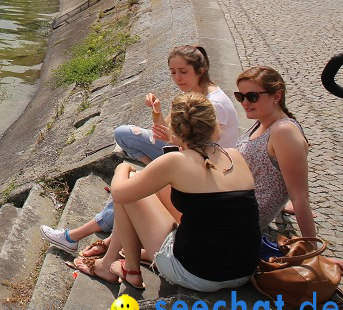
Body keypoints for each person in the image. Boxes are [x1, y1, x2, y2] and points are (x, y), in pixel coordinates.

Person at [40, 45, 238, 257]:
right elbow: (170, 134)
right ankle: (94, 240)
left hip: (203, 168)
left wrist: (124, 173)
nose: (177, 78)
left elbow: (189, 144)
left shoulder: (211, 105)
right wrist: (158, 112)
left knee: (136, 186)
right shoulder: (192, 95)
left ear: (201, 69)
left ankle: (76, 236)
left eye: (183, 72)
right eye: (173, 72)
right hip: (193, 160)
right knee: (126, 139)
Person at [96, 92, 260, 291]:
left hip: (198, 274)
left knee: (129, 182)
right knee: (155, 187)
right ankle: (127, 259)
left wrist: (121, 169)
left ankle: (130, 270)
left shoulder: (175, 161)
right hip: (244, 270)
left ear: (175, 128)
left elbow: (120, 194)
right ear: (214, 126)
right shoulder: (234, 155)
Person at [234, 66, 314, 237]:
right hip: (234, 204)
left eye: (252, 97)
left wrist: (312, 252)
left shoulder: (283, 132)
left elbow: (300, 197)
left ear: (276, 96)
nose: (245, 103)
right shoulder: (263, 121)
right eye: (240, 97)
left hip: (242, 219)